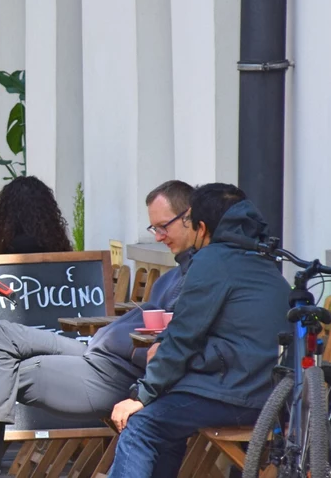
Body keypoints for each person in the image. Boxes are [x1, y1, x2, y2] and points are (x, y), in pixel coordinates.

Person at [0, 180, 200, 450]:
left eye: (163, 226)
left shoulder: (199, 278)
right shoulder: (175, 275)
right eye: (153, 228)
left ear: (191, 217)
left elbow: (171, 350)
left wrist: (138, 374)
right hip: (96, 350)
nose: (157, 237)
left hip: (113, 372)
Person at [108, 184, 289, 478]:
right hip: (265, 392)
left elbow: (183, 336)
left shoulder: (212, 261)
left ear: (202, 227)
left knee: (141, 424)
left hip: (237, 394)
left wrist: (141, 395)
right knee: (165, 426)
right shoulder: (259, 258)